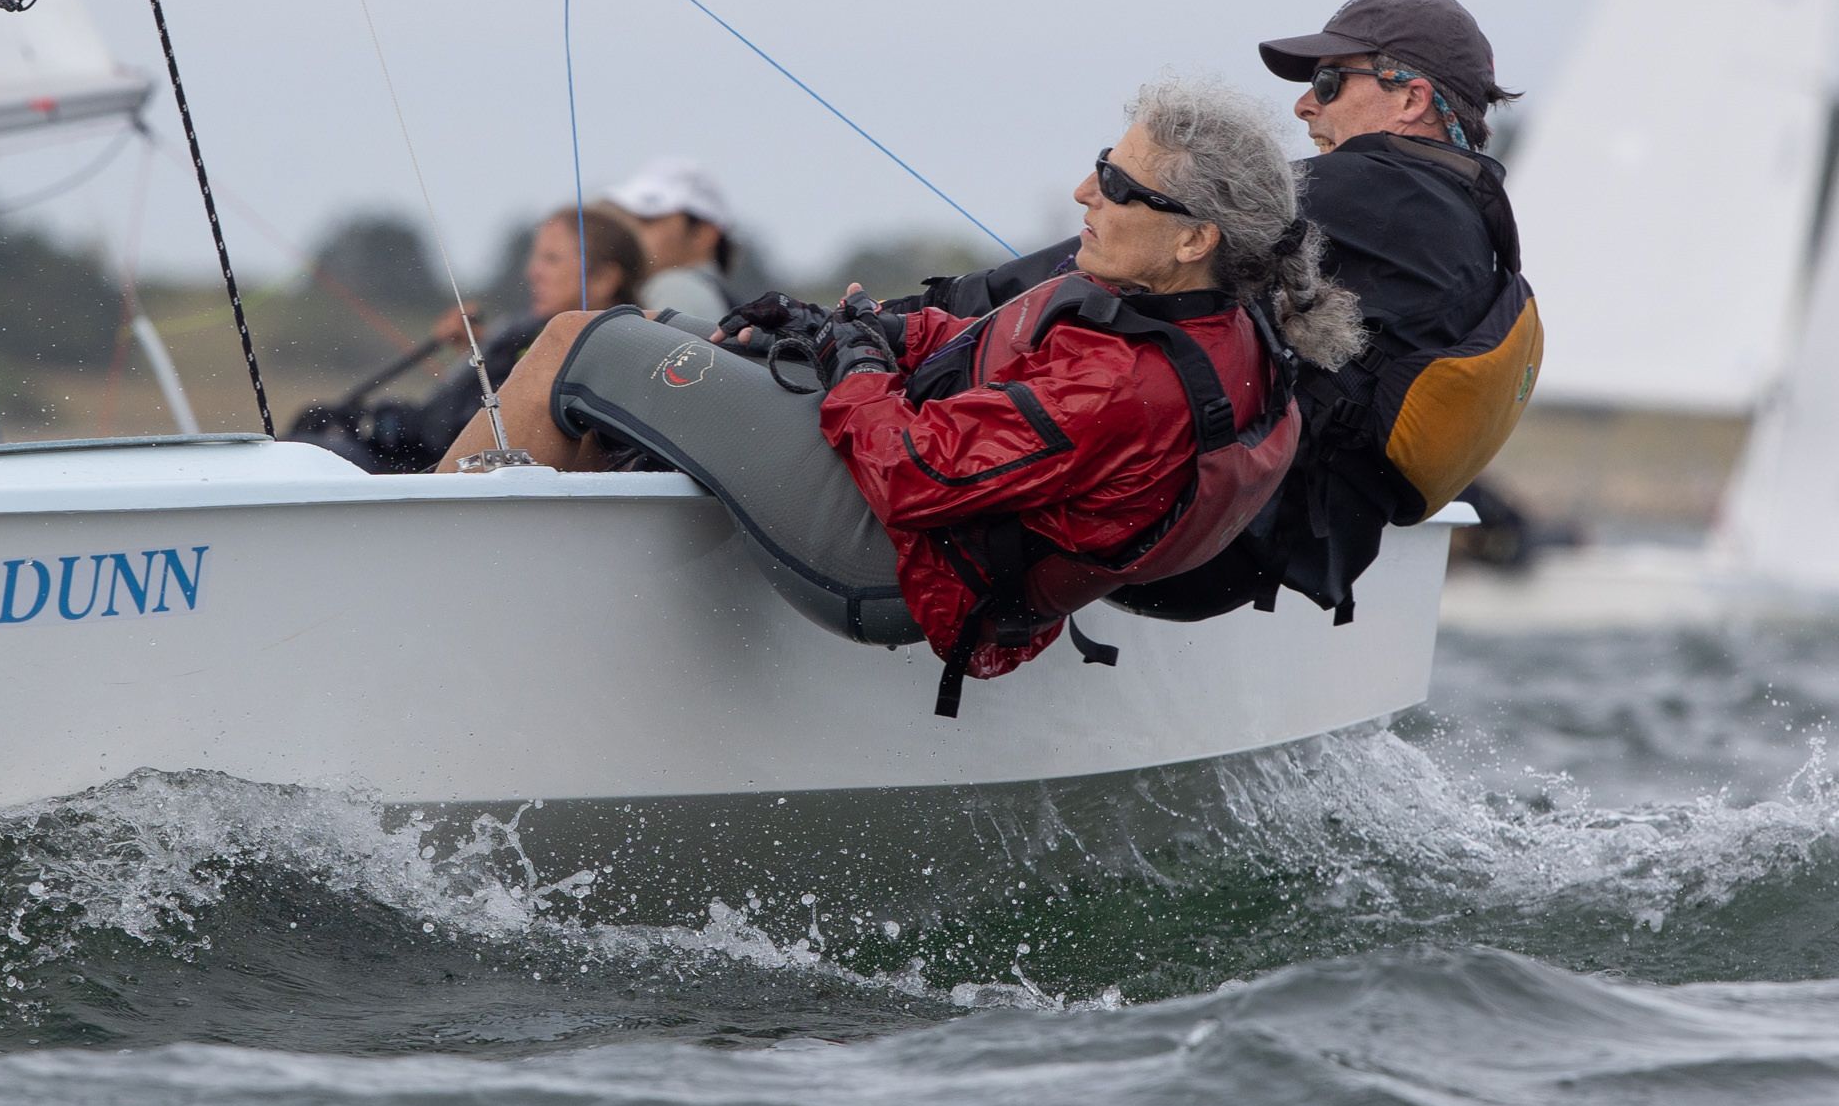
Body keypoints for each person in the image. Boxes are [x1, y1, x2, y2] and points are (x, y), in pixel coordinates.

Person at [438, 81, 1365, 714]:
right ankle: (533, 638)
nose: (1086, 190)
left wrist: (854, 367)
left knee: (578, 344)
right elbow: (978, 350)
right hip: (927, 528)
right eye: (1101, 162)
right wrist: (857, 330)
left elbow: (915, 471)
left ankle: (431, 611)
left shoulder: (1128, 383)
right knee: (665, 335)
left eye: (1119, 185)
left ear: (1196, 239)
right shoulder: (1205, 317)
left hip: (890, 559)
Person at [905, 0, 1538, 620]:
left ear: (1411, 99)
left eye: (1328, 83)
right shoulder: (1470, 221)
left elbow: (1132, 236)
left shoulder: (1382, 190)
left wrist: (919, 311)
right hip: (1268, 549)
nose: (1303, 105)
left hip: (1199, 541)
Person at [293, 205, 648, 473]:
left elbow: (457, 431)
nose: (533, 272)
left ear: (604, 279)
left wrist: (382, 425)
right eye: (535, 258)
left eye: (551, 260)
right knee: (306, 443)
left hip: (442, 479)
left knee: (310, 458)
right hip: (420, 462)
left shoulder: (613, 353)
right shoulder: (518, 334)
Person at [601, 157, 738, 319]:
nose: (631, 229)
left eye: (648, 220)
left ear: (703, 234)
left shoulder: (675, 288)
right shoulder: (712, 293)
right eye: (630, 218)